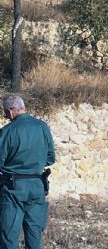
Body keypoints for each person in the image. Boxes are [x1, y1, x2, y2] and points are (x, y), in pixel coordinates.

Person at [0, 95, 55, 249]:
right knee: (34, 235)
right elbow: (50, 158)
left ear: (11, 112)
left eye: (5, 113)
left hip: (13, 189)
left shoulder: (7, 131)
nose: (6, 117)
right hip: (38, 186)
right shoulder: (43, 127)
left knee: (9, 236)